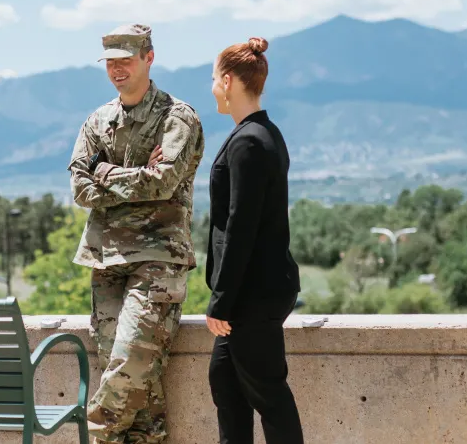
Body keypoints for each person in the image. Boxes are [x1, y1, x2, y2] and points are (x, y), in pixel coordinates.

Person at [68, 24, 206, 444]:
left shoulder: (176, 118)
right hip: (107, 260)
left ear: (149, 57)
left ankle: (95, 436)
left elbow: (162, 182)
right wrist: (133, 177)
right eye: (111, 61)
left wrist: (106, 173)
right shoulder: (99, 120)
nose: (117, 69)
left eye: (126, 59)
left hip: (158, 261)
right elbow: (79, 187)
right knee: (137, 391)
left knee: (127, 368)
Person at [204, 37, 304, 444]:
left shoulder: (248, 141)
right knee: (225, 384)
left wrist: (222, 299)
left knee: (270, 396)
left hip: (252, 295)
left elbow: (240, 226)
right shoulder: (265, 133)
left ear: (228, 81)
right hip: (259, 289)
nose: (212, 87)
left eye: (213, 78)